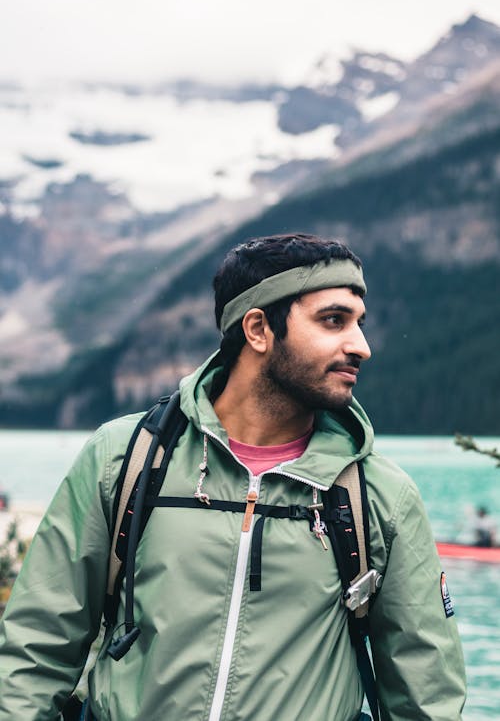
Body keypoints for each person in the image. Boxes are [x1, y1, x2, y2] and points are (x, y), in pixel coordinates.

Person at [0, 233, 466, 720]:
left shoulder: (378, 495)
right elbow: (35, 651)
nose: (362, 347)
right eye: (334, 321)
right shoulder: (125, 459)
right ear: (259, 329)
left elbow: (425, 698)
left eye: (359, 323)